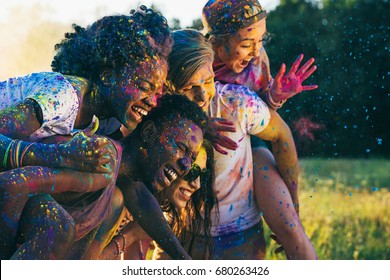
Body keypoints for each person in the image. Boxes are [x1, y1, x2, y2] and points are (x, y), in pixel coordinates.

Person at [0, 6, 174, 259]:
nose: (153, 101)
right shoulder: (63, 95)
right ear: (106, 74)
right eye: (144, 87)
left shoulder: (104, 122)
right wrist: (61, 156)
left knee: (58, 228)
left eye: (158, 93)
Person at [154, 29, 317, 259]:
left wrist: (293, 205)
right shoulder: (152, 112)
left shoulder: (234, 102)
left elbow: (282, 135)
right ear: (167, 88)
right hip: (177, 235)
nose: (202, 96)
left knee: (293, 231)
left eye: (208, 81)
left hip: (238, 238)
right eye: (189, 88)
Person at [81, 94, 208, 260]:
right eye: (182, 148)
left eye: (191, 158)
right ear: (148, 133)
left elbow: (141, 198)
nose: (186, 165)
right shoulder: (99, 155)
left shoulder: (125, 179)